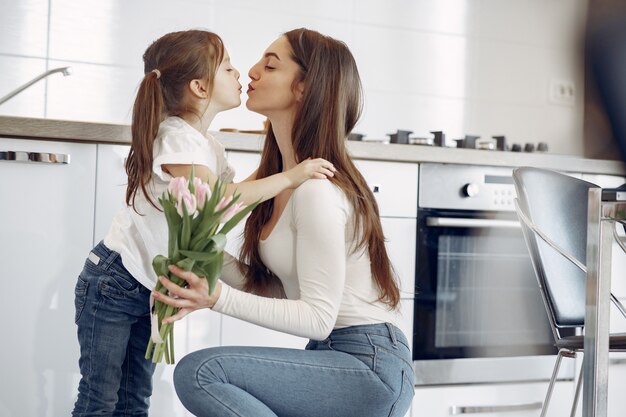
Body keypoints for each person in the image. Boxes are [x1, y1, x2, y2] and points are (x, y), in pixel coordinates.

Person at [153, 28, 415, 417]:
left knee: (202, 372)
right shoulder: (281, 182)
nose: (251, 72)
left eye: (270, 65)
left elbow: (318, 319)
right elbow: (276, 289)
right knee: (202, 372)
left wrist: (215, 298)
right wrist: (200, 249)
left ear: (304, 88)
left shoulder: (315, 189)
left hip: (369, 364)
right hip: (336, 357)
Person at [72, 29, 335, 417]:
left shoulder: (207, 144)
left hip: (147, 287)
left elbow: (222, 208)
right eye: (228, 67)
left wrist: (284, 174)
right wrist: (291, 176)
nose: (241, 73)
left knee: (133, 398)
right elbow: (220, 200)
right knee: (100, 399)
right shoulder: (176, 137)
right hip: (116, 280)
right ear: (199, 86)